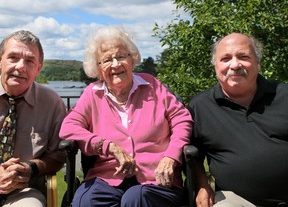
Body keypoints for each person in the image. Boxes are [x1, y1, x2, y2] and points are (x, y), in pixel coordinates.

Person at [59, 26, 193, 207]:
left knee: (135, 198)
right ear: (98, 68)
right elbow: (68, 129)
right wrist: (107, 146)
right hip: (108, 176)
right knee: (86, 201)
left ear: (132, 59)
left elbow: (182, 119)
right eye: (107, 60)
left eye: (121, 56)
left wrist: (171, 156)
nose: (115, 64)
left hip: (156, 178)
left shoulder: (152, 85)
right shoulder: (93, 94)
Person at [187, 33, 288, 206]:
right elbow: (192, 154)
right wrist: (202, 184)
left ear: (258, 63)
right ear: (216, 66)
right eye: (226, 58)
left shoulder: (284, 95)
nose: (234, 65)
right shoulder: (200, 106)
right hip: (236, 200)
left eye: (243, 57)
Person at [0, 30, 67, 206]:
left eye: (29, 61)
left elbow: (58, 156)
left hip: (24, 191)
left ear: (38, 68)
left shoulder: (52, 103)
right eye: (13, 57)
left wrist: (31, 168)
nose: (20, 66)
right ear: (0, 61)